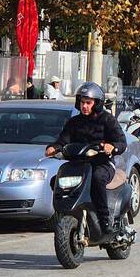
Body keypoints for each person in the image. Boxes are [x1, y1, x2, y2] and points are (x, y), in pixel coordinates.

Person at [45, 82, 127, 240]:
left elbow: (121, 142)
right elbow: (62, 140)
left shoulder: (107, 120)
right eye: (82, 102)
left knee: (97, 178)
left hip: (102, 163)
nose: (84, 106)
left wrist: (112, 147)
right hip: (78, 164)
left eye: (88, 103)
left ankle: (105, 221)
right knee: (57, 180)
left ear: (96, 103)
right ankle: (61, 216)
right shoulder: (74, 122)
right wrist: (53, 148)